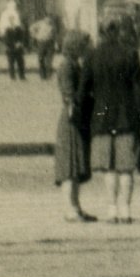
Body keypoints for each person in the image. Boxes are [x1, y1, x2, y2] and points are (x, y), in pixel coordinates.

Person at [82, 10, 140, 223]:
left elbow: (84, 89)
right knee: (126, 168)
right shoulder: (130, 53)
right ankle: (126, 211)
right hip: (127, 116)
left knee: (109, 168)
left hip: (101, 115)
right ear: (119, 30)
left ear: (102, 30)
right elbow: (138, 88)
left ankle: (112, 210)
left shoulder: (92, 55)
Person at [52, 28, 95, 222]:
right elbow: (69, 95)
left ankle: (76, 206)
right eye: (87, 44)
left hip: (77, 120)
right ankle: (69, 208)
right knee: (69, 167)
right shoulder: (67, 66)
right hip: (71, 122)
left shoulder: (74, 64)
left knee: (76, 166)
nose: (90, 47)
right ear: (77, 45)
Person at [0, 3, 27, 80]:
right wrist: (13, 44)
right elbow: (6, 39)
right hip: (10, 48)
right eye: (11, 20)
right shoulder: (7, 30)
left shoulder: (18, 28)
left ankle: (22, 76)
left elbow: (21, 37)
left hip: (18, 48)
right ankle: (12, 76)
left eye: (13, 20)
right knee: (11, 63)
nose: (12, 21)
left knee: (21, 62)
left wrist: (20, 43)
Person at [31, 13, 57, 78]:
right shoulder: (39, 24)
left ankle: (48, 75)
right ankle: (42, 75)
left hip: (50, 43)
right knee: (41, 59)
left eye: (49, 18)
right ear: (44, 18)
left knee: (49, 60)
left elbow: (55, 35)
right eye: (47, 18)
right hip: (41, 42)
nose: (48, 20)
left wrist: (56, 43)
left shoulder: (52, 25)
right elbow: (31, 28)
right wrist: (35, 36)